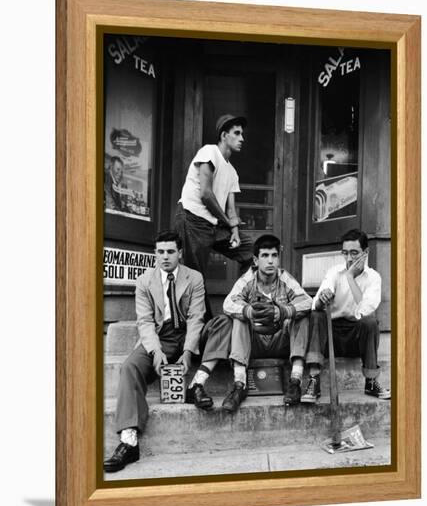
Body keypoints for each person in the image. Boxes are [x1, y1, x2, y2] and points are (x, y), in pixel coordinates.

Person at [103, 230, 206, 473]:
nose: (165, 257)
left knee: (212, 332)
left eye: (170, 251)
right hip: (160, 337)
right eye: (160, 252)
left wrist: (189, 352)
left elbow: (196, 318)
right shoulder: (144, 280)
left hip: (188, 335)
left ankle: (196, 386)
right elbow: (145, 322)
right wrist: (156, 351)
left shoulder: (195, 278)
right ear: (155, 254)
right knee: (129, 367)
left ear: (180, 253)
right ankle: (129, 441)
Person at [186, 234, 316, 413]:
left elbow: (308, 302)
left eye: (274, 255)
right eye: (265, 256)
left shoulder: (285, 278)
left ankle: (295, 381)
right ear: (255, 260)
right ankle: (240, 385)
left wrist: (285, 311)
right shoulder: (248, 279)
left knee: (301, 315)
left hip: (280, 341)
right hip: (253, 343)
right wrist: (249, 311)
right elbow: (228, 303)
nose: (270, 261)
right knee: (239, 315)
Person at [174, 114, 254, 319]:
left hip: (214, 225)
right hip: (193, 219)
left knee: (252, 250)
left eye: (242, 134)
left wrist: (234, 231)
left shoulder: (232, 172)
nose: (242, 138)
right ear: (224, 135)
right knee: (195, 280)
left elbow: (231, 210)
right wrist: (228, 223)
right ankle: (202, 330)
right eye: (237, 133)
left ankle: (237, 302)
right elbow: (206, 194)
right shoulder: (209, 151)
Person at [302, 228, 391, 404]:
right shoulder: (334, 272)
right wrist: (322, 297)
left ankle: (371, 381)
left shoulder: (374, 278)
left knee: (370, 321)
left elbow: (365, 309)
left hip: (355, 338)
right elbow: (316, 305)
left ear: (366, 253)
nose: (349, 259)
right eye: (345, 253)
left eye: (354, 253)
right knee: (317, 314)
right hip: (330, 337)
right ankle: (314, 380)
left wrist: (350, 277)